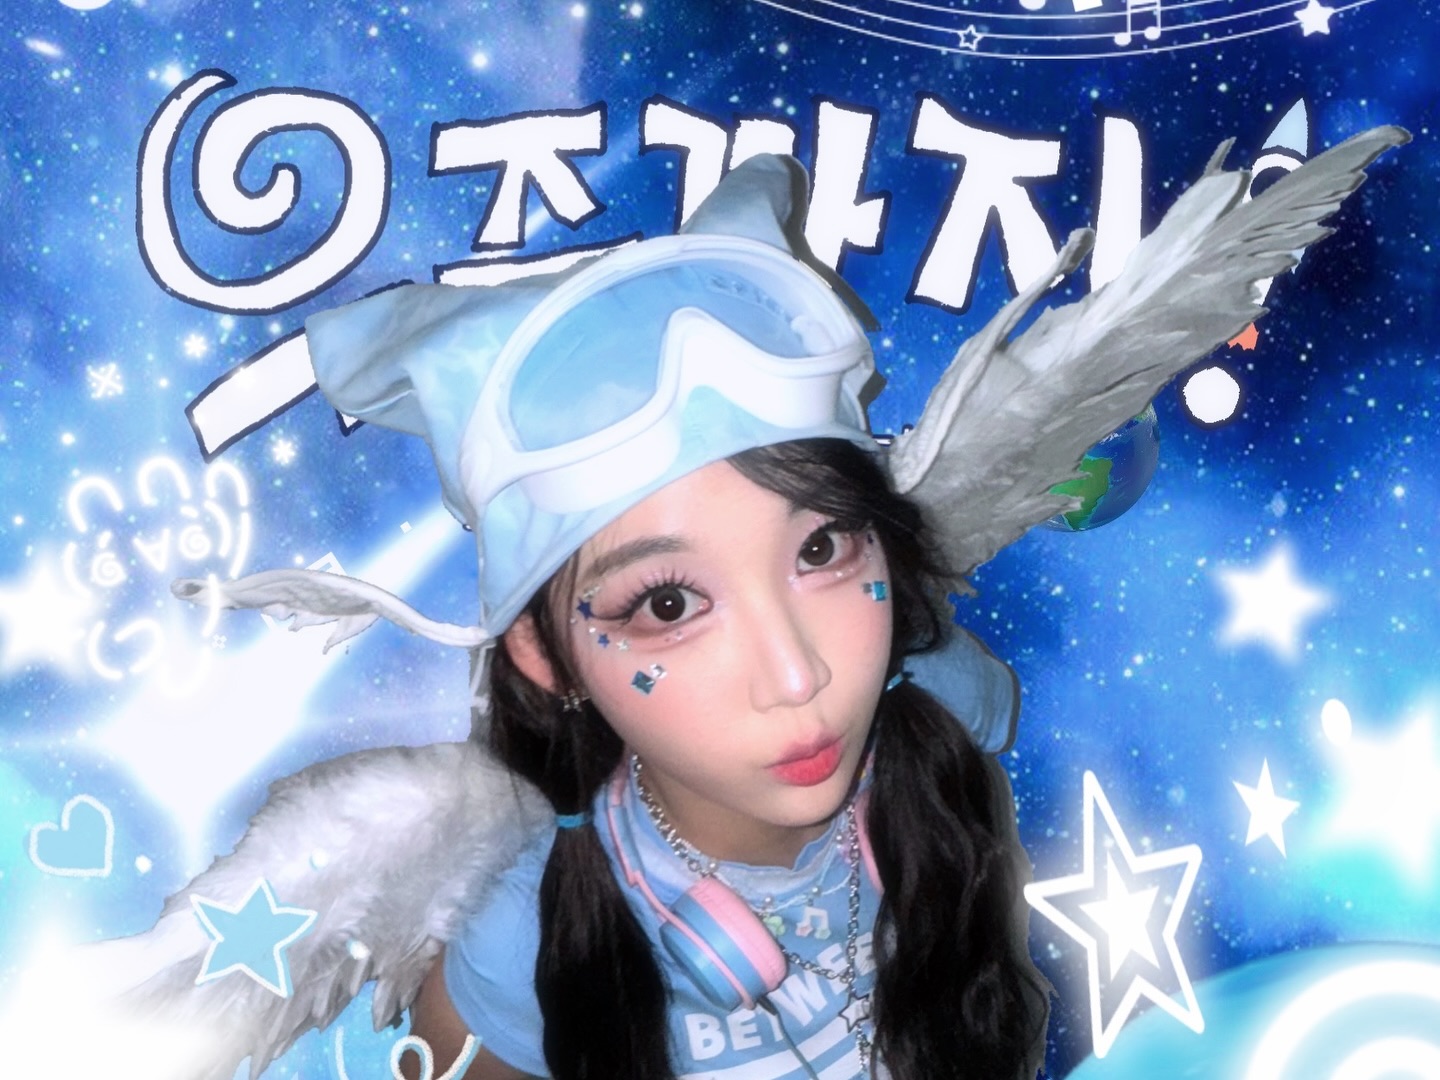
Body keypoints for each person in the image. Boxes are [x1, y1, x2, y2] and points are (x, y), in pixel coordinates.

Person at [53, 128, 1398, 1080]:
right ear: (543, 656)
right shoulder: (527, 928)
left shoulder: (940, 711)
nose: (798, 675)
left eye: (822, 550)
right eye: (666, 603)